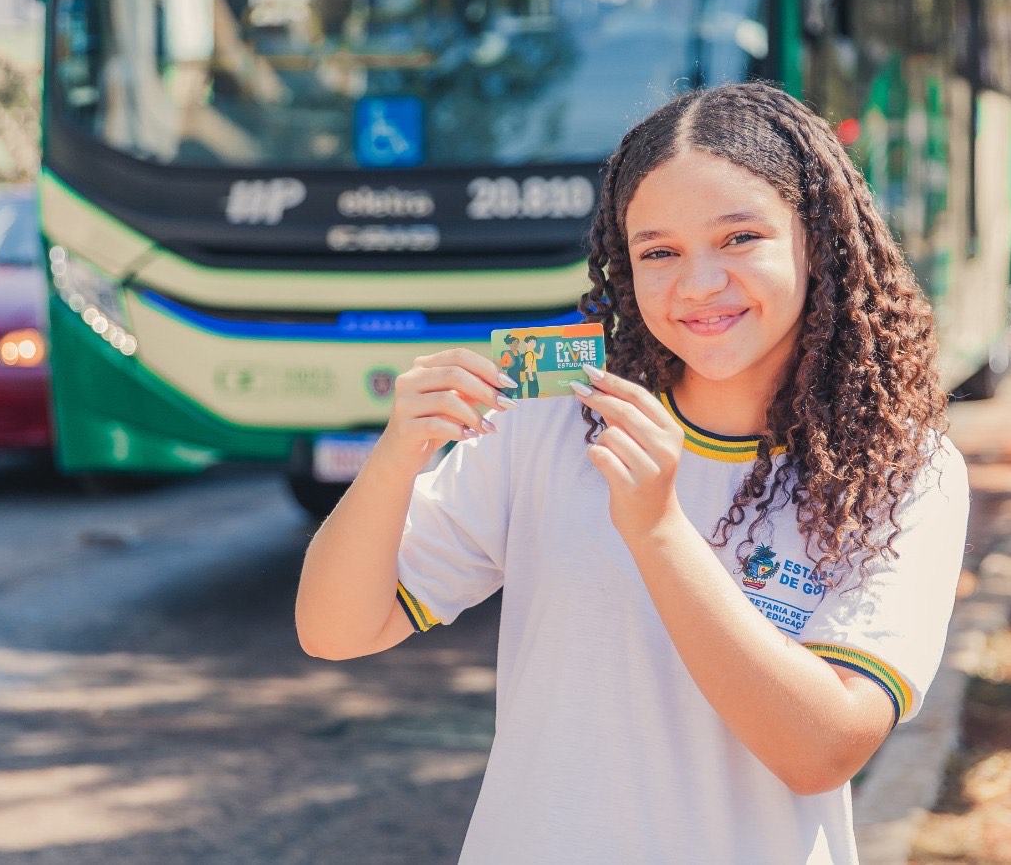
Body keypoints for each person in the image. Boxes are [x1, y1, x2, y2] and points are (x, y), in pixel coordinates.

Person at [295, 81, 968, 864]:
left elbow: (821, 750)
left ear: (817, 241)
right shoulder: (549, 420)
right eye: (659, 252)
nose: (698, 284)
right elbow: (333, 631)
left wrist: (656, 529)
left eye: (740, 238)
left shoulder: (904, 469)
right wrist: (395, 460)